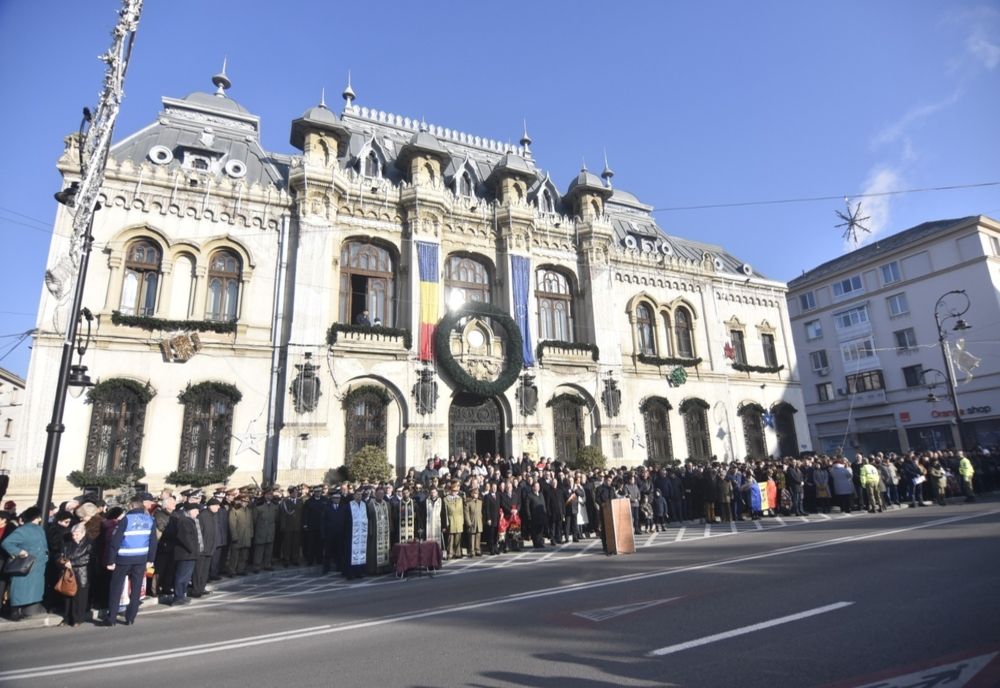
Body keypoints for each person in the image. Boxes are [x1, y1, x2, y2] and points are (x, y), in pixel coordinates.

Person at [105, 495, 157, 626]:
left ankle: (111, 618)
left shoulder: (126, 519)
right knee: (136, 589)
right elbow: (153, 541)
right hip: (141, 558)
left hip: (123, 558)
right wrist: (150, 559)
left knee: (116, 587)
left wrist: (111, 560)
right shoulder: (150, 519)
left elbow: (115, 541)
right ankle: (131, 617)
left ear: (131, 506)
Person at [2, 506, 48, 621]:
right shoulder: (22, 530)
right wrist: (19, 552)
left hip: (36, 564)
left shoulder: (38, 529)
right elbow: (7, 543)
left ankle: (25, 610)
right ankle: (15, 611)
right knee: (19, 588)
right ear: (36, 517)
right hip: (26, 564)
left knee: (31, 589)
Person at [59, 522, 93, 626]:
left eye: (77, 534)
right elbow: (61, 554)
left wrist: (72, 563)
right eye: (73, 534)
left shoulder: (89, 543)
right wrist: (63, 562)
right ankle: (67, 617)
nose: (74, 536)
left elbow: (87, 559)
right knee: (68, 595)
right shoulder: (68, 543)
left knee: (80, 597)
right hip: (69, 572)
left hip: (82, 573)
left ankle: (78, 618)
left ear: (83, 533)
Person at [172, 502, 204, 606]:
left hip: (190, 554)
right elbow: (185, 538)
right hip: (185, 554)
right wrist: (193, 549)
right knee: (182, 576)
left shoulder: (190, 521)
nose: (198, 512)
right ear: (189, 511)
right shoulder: (184, 521)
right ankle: (178, 597)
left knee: (186, 577)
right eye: (196, 510)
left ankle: (182, 595)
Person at [344, 488, 369, 579]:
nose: (359, 496)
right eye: (357, 494)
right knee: (351, 553)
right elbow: (345, 520)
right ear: (354, 495)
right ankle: (350, 573)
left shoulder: (364, 505)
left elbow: (368, 517)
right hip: (351, 533)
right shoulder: (349, 505)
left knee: (360, 552)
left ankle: (359, 572)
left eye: (360, 495)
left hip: (362, 533)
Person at [320, 492, 347, 574]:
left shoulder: (343, 507)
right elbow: (323, 521)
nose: (337, 499)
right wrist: (323, 534)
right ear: (332, 499)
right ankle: (326, 568)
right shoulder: (327, 507)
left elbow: (345, 521)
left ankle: (340, 567)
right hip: (329, 534)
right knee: (328, 552)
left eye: (338, 498)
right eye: (335, 498)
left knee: (339, 551)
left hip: (340, 533)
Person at [443, 482, 465, 560]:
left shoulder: (460, 499)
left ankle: (457, 553)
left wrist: (462, 521)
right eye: (453, 490)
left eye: (456, 491)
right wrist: (446, 523)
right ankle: (450, 553)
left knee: (458, 538)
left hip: (458, 520)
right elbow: (445, 512)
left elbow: (461, 511)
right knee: (450, 538)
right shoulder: (446, 499)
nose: (455, 492)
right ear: (450, 490)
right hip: (451, 519)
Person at [463, 487, 483, 557]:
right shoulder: (468, 503)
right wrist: (468, 522)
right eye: (475, 493)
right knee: (472, 536)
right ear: (472, 494)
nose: (476, 495)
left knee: (478, 536)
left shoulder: (480, 502)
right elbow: (466, 513)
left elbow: (481, 512)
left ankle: (477, 549)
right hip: (472, 521)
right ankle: (472, 551)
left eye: (477, 493)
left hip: (479, 521)